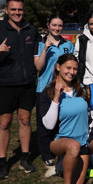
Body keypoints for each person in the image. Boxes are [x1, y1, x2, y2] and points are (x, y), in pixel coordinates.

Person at [0, 0, 41, 179]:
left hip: (27, 85)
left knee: (25, 121)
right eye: (13, 9)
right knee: (4, 123)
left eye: (20, 9)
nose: (17, 13)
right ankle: (2, 162)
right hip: (4, 85)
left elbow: (37, 58)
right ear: (6, 10)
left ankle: (25, 158)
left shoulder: (31, 30)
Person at [39, 54, 90, 184]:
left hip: (82, 144)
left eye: (75, 69)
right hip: (59, 142)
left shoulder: (81, 90)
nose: (72, 72)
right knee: (72, 146)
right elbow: (48, 125)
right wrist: (56, 98)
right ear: (58, 67)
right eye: (68, 68)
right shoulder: (48, 93)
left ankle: (61, 166)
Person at [34, 14, 74, 168]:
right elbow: (38, 67)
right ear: (48, 24)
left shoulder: (68, 44)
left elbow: (70, 65)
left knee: (59, 120)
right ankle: (46, 154)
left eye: (60, 26)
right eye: (54, 25)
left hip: (63, 87)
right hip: (44, 88)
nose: (57, 28)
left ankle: (58, 149)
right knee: (44, 122)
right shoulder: (40, 43)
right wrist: (45, 49)